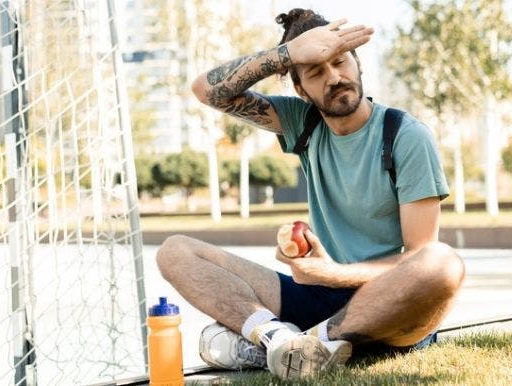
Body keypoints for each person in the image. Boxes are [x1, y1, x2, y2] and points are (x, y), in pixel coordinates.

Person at [156, 8, 465, 380]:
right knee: (176, 251)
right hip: (318, 295)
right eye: (316, 71)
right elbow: (206, 90)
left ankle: (311, 342)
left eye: (340, 62)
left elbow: (419, 257)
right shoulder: (301, 123)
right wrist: (287, 56)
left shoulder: (405, 135)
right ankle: (278, 340)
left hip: (389, 303)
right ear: (300, 89)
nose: (334, 78)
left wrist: (334, 273)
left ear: (358, 64)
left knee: (444, 263)